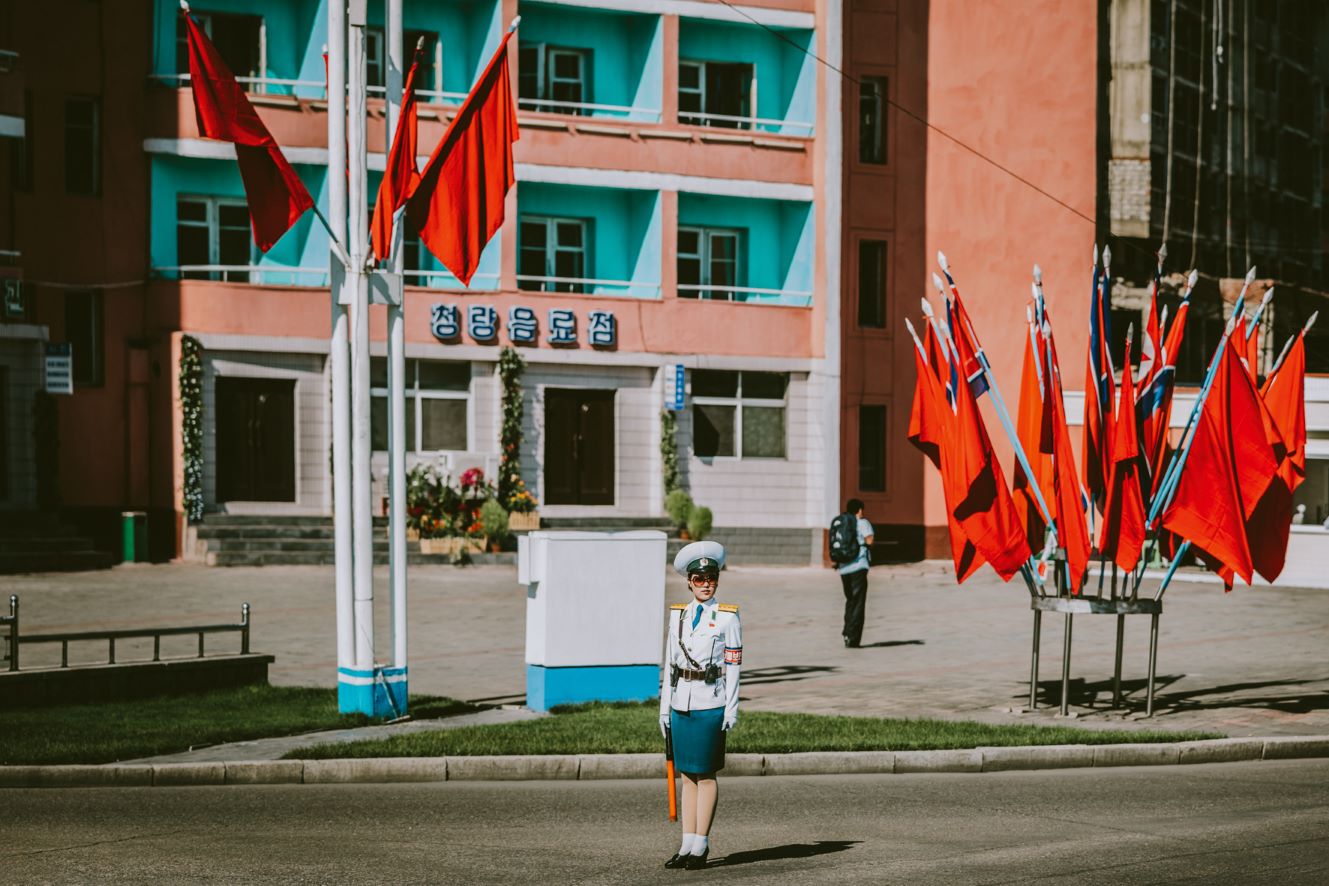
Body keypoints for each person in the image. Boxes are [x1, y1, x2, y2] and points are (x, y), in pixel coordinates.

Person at [660, 540, 741, 871]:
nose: (705, 584)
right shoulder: (678, 615)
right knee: (686, 776)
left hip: (710, 703)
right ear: (689, 581)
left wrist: (731, 708)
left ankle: (702, 845)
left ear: (717, 579)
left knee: (704, 774)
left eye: (711, 577)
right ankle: (686, 844)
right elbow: (669, 665)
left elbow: (734, 667)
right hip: (682, 702)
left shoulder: (726, 618)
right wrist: (664, 708)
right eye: (698, 578)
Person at [838, 498, 874, 648]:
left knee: (850, 600)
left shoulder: (842, 524)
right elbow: (870, 540)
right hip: (859, 566)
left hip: (844, 567)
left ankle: (847, 632)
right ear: (859, 509)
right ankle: (854, 638)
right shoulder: (862, 522)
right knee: (859, 602)